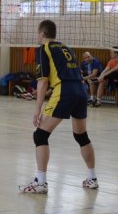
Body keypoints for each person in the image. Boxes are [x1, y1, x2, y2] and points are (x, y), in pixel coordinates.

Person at [19, 20, 98, 194]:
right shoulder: (65, 48)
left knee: (40, 135)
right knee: (81, 136)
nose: (37, 37)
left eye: (37, 33)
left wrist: (37, 110)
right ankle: (92, 178)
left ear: (42, 34)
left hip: (65, 92)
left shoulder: (43, 49)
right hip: (81, 91)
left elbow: (43, 82)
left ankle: (41, 182)